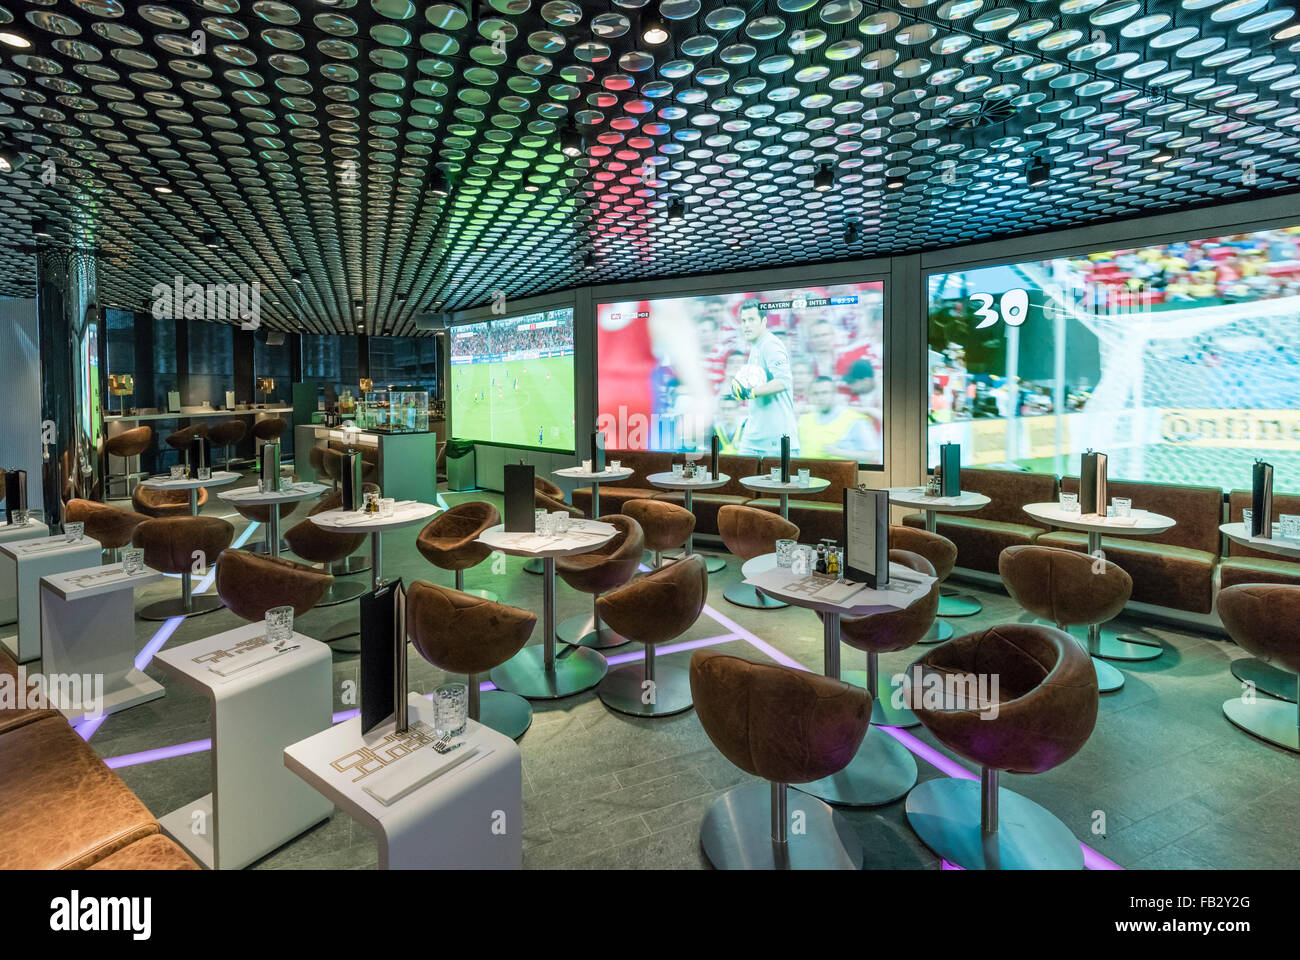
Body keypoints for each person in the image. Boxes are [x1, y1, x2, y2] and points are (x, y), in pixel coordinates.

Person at [731, 299, 800, 456]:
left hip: (776, 442)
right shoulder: (756, 347)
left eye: (751, 320)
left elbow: (783, 382)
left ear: (764, 321)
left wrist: (750, 393)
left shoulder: (771, 345)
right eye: (743, 321)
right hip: (754, 439)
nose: (746, 325)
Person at [798, 377, 881, 461]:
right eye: (816, 393)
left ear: (834, 394)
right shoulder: (804, 419)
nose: (820, 397)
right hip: (806, 472)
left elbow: (874, 455)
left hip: (840, 472)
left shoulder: (855, 420)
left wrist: (839, 452)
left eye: (825, 392)